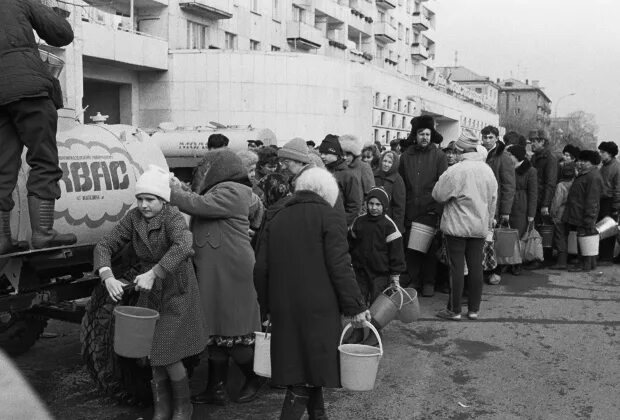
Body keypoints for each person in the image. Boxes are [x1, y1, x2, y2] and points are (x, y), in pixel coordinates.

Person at [254, 167, 369, 420]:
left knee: (305, 370)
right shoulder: (330, 216)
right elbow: (340, 265)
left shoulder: (277, 217)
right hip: (319, 308)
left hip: (284, 307)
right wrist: (356, 307)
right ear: (327, 192)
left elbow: (260, 268)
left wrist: (267, 306)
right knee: (304, 376)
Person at [94, 165, 207, 420]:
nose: (144, 205)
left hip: (176, 288)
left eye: (150, 199)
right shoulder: (133, 218)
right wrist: (106, 275)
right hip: (150, 292)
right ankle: (162, 409)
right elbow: (105, 244)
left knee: (166, 350)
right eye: (140, 198)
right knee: (155, 350)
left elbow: (183, 245)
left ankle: (182, 408)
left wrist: (155, 272)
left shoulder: (173, 217)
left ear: (162, 199)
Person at [169, 150, 263, 406]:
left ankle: (255, 378)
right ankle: (216, 389)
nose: (201, 171)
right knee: (215, 334)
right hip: (218, 273)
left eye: (205, 168)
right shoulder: (227, 191)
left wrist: (169, 191)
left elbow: (197, 205)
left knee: (235, 334)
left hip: (231, 274)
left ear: (219, 169)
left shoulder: (232, 190)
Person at [0, 0, 75, 254]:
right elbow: (62, 34)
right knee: (43, 159)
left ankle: (2, 239)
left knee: (2, 166)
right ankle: (43, 233)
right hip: (29, 88)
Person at [432, 130, 498, 321]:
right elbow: (493, 199)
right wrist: (488, 222)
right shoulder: (487, 170)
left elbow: (438, 195)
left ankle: (454, 310)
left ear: (460, 149)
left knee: (457, 267)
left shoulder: (456, 170)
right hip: (479, 225)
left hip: (457, 226)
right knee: (477, 266)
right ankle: (474, 309)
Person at [399, 115, 448, 297]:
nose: (425, 137)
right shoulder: (406, 156)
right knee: (412, 249)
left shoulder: (439, 156)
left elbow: (443, 185)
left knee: (430, 249)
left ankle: (429, 282)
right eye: (421, 134)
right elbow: (401, 184)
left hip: (430, 210)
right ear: (415, 135)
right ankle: (415, 280)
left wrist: (438, 211)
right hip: (411, 209)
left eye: (428, 134)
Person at [349, 187, 406, 306]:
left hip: (380, 274)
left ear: (384, 206)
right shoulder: (359, 222)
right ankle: (360, 324)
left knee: (377, 305)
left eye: (378, 204)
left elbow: (396, 254)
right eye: (371, 203)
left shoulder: (389, 227)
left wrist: (395, 276)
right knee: (360, 303)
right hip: (360, 272)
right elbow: (350, 244)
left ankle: (374, 324)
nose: (374, 208)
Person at [481, 125, 516, 283]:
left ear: (496, 138)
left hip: (496, 204)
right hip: (481, 202)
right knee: (483, 239)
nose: (487, 140)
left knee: (495, 239)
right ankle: (483, 268)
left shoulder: (503, 156)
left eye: (490, 137)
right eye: (485, 137)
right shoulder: (480, 153)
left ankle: (495, 271)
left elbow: (509, 185)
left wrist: (505, 212)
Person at [563, 150, 603, 272]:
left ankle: (583, 264)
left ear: (592, 163)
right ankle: (589, 263)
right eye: (581, 160)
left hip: (584, 213)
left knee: (585, 238)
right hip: (578, 211)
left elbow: (592, 199)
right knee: (584, 237)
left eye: (585, 161)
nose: (581, 163)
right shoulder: (586, 174)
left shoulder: (593, 176)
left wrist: (589, 217)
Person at [505, 145, 538, 275]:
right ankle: (508, 261)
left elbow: (533, 193)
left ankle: (517, 263)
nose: (508, 157)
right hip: (508, 203)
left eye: (510, 155)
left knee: (518, 235)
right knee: (507, 234)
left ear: (516, 156)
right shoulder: (508, 168)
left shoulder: (530, 171)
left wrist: (531, 215)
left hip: (521, 206)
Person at [319, 135, 363, 226]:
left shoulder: (348, 176)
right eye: (321, 153)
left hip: (338, 226)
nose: (322, 156)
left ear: (336, 154)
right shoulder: (322, 172)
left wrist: (341, 223)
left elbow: (354, 206)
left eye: (326, 153)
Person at [549, 163, 577, 269]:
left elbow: (557, 202)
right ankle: (570, 258)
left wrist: (552, 213)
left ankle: (561, 262)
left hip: (560, 213)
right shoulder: (575, 183)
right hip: (571, 213)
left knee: (560, 236)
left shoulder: (561, 185)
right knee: (567, 236)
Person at [597, 141, 620, 265]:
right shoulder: (603, 166)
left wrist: (616, 207)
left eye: (603, 152)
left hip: (610, 202)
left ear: (610, 154)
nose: (600, 154)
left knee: (609, 229)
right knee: (601, 228)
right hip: (602, 201)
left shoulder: (616, 167)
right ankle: (602, 255)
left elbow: (618, 188)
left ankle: (607, 258)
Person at [529, 129, 558, 221]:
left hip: (541, 202)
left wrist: (545, 204)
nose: (531, 144)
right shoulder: (534, 157)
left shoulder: (550, 158)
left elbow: (550, 183)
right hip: (533, 199)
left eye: (534, 141)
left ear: (542, 142)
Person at [373, 151, 405, 233]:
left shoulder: (397, 180)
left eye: (390, 162)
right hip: (373, 218)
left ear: (394, 164)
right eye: (384, 161)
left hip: (388, 221)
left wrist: (396, 228)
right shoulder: (375, 175)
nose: (386, 164)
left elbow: (399, 207)